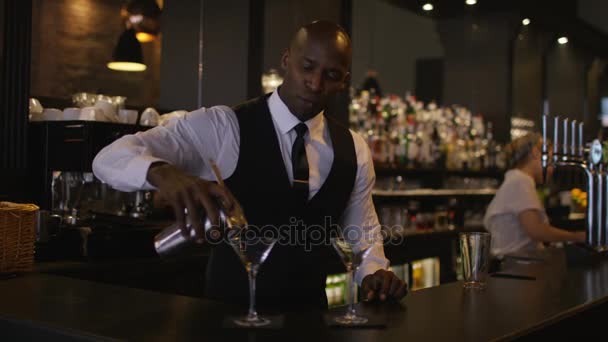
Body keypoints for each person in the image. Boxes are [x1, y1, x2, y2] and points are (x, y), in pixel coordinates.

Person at [93, 20, 407, 310]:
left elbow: (363, 234)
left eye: (331, 75)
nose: (315, 82)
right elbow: (107, 158)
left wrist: (374, 273)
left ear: (344, 81)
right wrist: (162, 173)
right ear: (286, 60)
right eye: (307, 67)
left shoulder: (354, 149)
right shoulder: (222, 126)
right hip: (226, 321)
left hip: (311, 324)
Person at [483, 133, 585, 257]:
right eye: (551, 160)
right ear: (536, 153)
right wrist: (577, 237)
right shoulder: (519, 181)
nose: (552, 168)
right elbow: (536, 230)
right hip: (514, 267)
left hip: (516, 264)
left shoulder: (518, 180)